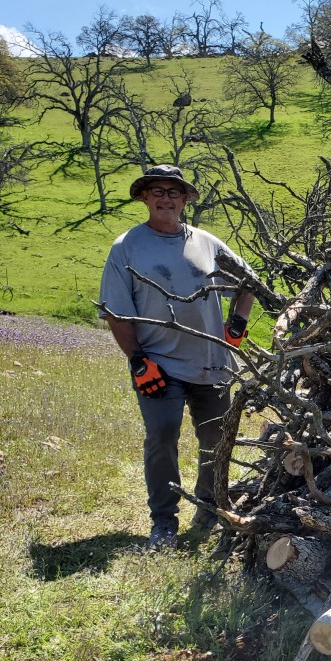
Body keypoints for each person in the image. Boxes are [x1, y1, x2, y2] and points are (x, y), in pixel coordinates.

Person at [98, 164, 255, 550]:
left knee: (216, 439)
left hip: (211, 362)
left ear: (185, 199)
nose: (165, 198)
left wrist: (236, 325)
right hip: (157, 364)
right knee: (163, 435)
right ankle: (164, 523)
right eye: (157, 192)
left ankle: (207, 511)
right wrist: (137, 359)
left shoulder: (207, 243)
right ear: (144, 198)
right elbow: (115, 313)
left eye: (173, 192)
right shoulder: (126, 247)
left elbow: (249, 283)